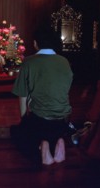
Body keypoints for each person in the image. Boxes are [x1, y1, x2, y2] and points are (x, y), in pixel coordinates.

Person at [11, 26, 73, 165]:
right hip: (63, 119)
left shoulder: (29, 62)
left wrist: (24, 120)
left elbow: (22, 95)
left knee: (17, 134)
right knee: (53, 128)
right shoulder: (64, 61)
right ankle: (58, 141)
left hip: (40, 119)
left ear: (35, 43)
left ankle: (43, 146)